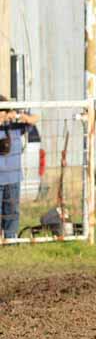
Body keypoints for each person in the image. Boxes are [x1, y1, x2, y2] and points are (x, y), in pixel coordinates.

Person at [0, 95, 39, 239]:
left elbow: (35, 119)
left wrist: (20, 115)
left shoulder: (15, 127)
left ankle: (10, 238)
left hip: (13, 177)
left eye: (5, 111)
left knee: (12, 211)